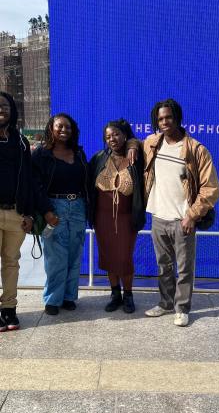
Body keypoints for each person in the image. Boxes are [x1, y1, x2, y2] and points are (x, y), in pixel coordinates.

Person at [143, 99, 219, 327]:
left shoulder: (196, 150)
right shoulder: (151, 144)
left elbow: (211, 188)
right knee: (163, 266)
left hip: (183, 220)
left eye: (168, 117)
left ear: (177, 117)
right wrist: (129, 146)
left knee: (185, 268)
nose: (164, 122)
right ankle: (165, 303)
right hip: (158, 217)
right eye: (160, 119)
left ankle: (182, 308)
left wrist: (192, 215)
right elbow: (131, 142)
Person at [32, 114, 90, 316]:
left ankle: (68, 297)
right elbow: (35, 186)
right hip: (54, 207)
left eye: (68, 127)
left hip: (78, 207)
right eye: (60, 126)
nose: (64, 130)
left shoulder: (79, 154)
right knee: (56, 257)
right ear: (51, 128)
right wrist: (46, 211)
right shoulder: (41, 154)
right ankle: (52, 299)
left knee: (75, 255)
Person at [89, 119, 146, 314]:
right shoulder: (98, 159)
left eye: (116, 134)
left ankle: (128, 295)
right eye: (108, 136)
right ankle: (115, 295)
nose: (112, 139)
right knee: (108, 256)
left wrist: (133, 144)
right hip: (102, 218)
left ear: (124, 135)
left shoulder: (136, 158)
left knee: (124, 257)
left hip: (127, 219)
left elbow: (149, 143)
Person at [0, 92, 34, 331]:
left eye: (5, 106)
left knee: (12, 263)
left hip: (15, 213)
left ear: (12, 111)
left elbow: (30, 181)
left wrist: (29, 214)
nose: (2, 109)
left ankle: (9, 310)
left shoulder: (20, 141)